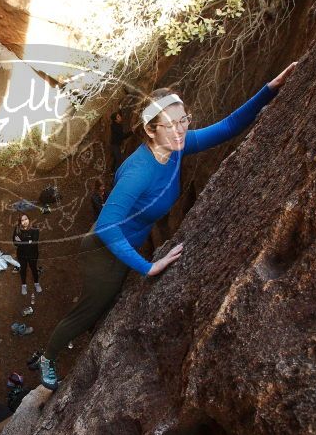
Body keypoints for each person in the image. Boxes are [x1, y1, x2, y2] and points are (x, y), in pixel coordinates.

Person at [37, 63, 298, 390]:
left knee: (103, 306)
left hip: (124, 247)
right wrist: (147, 267)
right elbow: (106, 226)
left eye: (184, 120)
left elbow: (229, 125)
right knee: (89, 311)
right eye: (171, 125)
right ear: (150, 130)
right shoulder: (139, 171)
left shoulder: (175, 147)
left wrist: (270, 88)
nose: (180, 130)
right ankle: (48, 355)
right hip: (105, 253)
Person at [12, 213, 41, 295]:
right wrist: (28, 241)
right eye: (22, 220)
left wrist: (21, 241)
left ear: (29, 219)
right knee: (23, 269)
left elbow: (34, 242)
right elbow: (14, 242)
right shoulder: (17, 229)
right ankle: (24, 285)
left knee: (33, 268)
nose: (25, 222)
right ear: (20, 222)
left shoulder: (34, 229)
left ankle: (36, 283)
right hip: (21, 254)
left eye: (26, 219)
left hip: (33, 254)